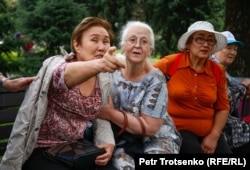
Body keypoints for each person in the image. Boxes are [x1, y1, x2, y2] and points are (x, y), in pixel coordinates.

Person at [0, 17, 125, 170]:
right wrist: (100, 64)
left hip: (76, 150)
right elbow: (63, 74)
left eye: (106, 42)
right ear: (77, 45)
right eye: (94, 40)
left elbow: (101, 114)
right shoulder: (57, 65)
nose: (101, 47)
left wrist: (107, 142)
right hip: (41, 151)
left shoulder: (103, 78)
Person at [98, 21, 182, 169]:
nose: (137, 45)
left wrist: (111, 114)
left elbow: (150, 128)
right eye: (132, 40)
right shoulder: (110, 68)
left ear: (150, 50)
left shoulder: (156, 79)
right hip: (120, 136)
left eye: (144, 42)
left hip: (156, 138)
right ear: (122, 46)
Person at [153, 21, 232, 154]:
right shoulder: (171, 63)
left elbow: (223, 107)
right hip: (176, 129)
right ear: (189, 43)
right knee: (194, 153)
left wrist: (214, 135)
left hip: (209, 131)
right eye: (200, 39)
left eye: (210, 41)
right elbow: (143, 75)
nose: (205, 44)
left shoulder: (218, 70)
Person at [210, 30, 250, 153]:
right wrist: (243, 87)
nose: (232, 52)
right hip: (215, 124)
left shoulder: (222, 69)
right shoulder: (212, 67)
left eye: (235, 49)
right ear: (215, 49)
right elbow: (225, 102)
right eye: (228, 48)